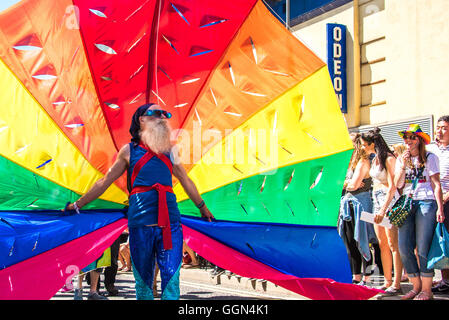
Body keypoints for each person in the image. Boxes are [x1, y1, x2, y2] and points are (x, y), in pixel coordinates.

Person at [67, 103, 214, 300]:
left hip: (170, 225)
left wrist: (202, 207)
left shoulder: (171, 150)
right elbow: (105, 181)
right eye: (155, 113)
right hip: (140, 225)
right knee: (143, 283)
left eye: (164, 113)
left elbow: (186, 181)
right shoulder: (128, 151)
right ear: (141, 120)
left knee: (171, 282)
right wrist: (78, 205)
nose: (161, 117)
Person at [394, 123, 445, 300]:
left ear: (420, 140)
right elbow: (398, 184)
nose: (408, 140)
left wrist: (439, 207)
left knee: (423, 248)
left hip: (426, 202)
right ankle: (416, 287)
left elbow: (436, 184)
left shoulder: (430, 157)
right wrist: (402, 165)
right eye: (406, 137)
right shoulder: (402, 158)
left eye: (412, 137)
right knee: (404, 247)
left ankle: (427, 290)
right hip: (407, 204)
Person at [361, 128, 403, 296]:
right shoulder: (375, 159)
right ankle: (387, 281)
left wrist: (384, 208)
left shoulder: (389, 158)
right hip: (376, 201)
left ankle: (397, 282)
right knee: (382, 243)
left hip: (389, 202)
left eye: (365, 145)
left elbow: (393, 187)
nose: (363, 147)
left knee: (393, 244)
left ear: (372, 144)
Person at [338, 133, 377, 285]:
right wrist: (348, 182)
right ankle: (356, 276)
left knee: (364, 239)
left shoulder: (363, 161)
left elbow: (353, 186)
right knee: (349, 242)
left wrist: (346, 183)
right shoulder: (349, 163)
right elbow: (344, 183)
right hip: (348, 204)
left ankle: (368, 277)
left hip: (362, 205)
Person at [427, 116, 449, 294]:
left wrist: (445, 197)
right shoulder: (431, 149)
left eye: (444, 128)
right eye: (438, 127)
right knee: (439, 240)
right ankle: (445, 279)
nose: (440, 131)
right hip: (433, 199)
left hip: (447, 199)